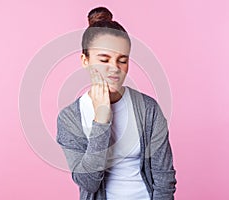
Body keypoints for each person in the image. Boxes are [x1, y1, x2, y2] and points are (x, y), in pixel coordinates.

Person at [56, 6, 177, 200]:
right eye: (104, 59)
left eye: (122, 60)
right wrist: (102, 119)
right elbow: (89, 182)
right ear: (85, 61)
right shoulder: (70, 118)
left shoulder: (148, 109)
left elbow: (164, 177)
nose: (115, 69)